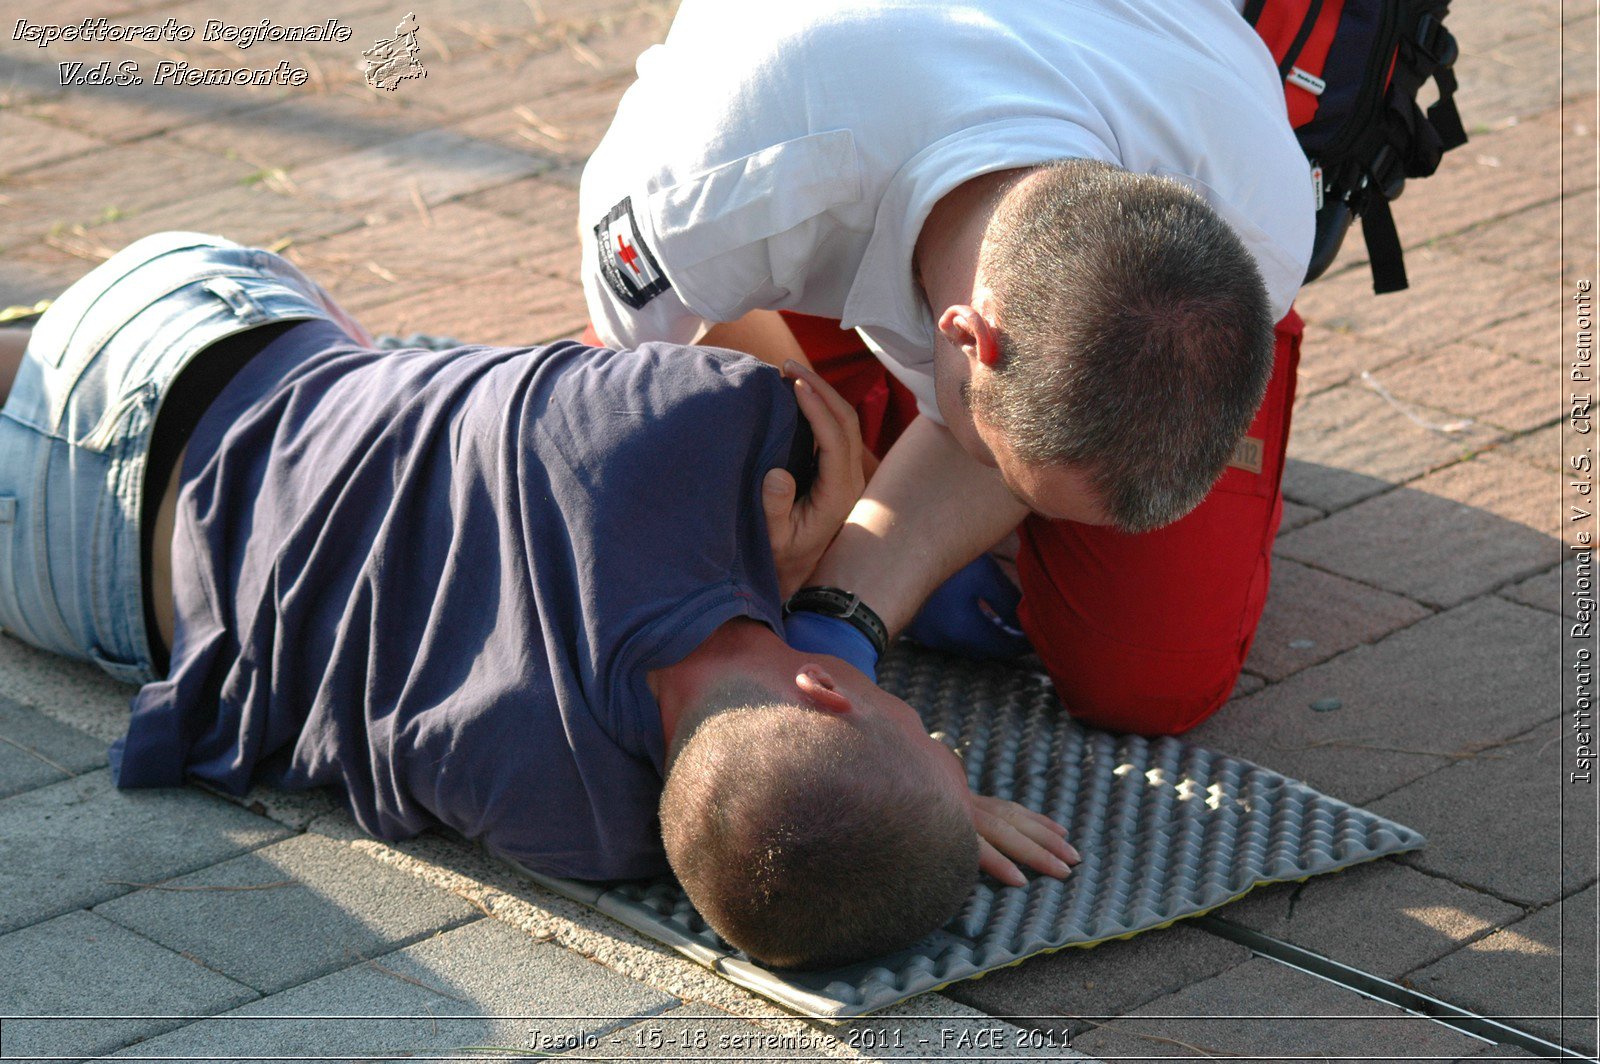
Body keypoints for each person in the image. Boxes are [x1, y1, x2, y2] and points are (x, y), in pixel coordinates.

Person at [0, 232, 1078, 970]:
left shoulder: (714, 436)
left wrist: (814, 595)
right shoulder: (585, 827)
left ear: (824, 686)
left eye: (922, 731)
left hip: (171, 350)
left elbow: (692, 315)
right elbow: (758, 836)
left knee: (406, 382)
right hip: (75, 581)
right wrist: (877, 821)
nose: (932, 728)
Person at [576, 0, 1316, 736]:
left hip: (1081, 103)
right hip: (804, 186)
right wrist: (830, 489)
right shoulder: (705, 193)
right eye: (1004, 466)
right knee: (666, 451)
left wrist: (842, 611)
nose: (1031, 530)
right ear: (966, 335)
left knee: (1148, 679)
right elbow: (647, 360)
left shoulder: (1256, 207)